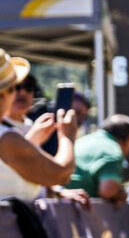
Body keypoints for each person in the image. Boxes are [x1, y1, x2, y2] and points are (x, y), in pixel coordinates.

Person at [0, 50, 80, 202]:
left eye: (28, 86)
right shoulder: (6, 137)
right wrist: (67, 136)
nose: (22, 92)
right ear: (5, 94)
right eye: (16, 86)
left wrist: (30, 143)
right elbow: (61, 174)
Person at [66, 114, 129, 204]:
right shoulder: (113, 151)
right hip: (75, 210)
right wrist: (120, 194)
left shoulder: (81, 141)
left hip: (56, 203)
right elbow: (107, 191)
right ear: (127, 139)